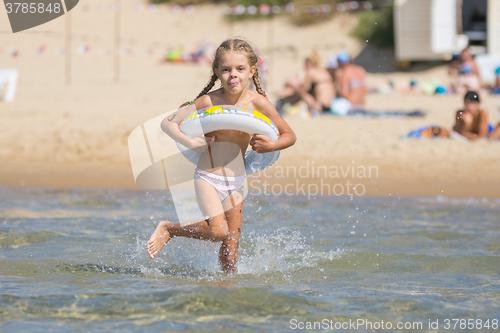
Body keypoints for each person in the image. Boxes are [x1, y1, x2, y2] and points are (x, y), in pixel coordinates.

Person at [146, 39, 296, 274]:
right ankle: (169, 228)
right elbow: (168, 123)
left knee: (231, 255)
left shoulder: (258, 103)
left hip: (236, 181)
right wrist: (190, 141)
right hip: (208, 176)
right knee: (217, 232)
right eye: (225, 69)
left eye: (240, 69)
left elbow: (289, 135)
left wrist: (271, 145)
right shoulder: (209, 101)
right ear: (216, 71)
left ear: (252, 71)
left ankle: (226, 297)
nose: (232, 75)